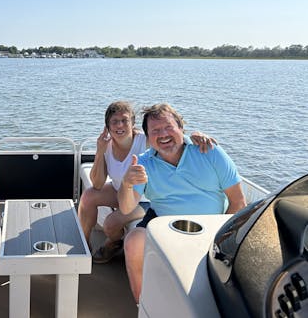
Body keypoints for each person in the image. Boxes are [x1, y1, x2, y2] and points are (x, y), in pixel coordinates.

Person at [119, 103, 247, 304]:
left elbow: (238, 201)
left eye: (169, 127)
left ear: (181, 128)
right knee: (134, 241)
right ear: (148, 138)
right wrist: (127, 184)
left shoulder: (209, 151)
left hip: (211, 226)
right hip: (163, 223)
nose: (163, 134)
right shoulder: (143, 163)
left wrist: (220, 237)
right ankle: (142, 304)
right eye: (155, 131)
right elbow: (126, 208)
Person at [78, 101, 216, 263]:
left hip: (144, 199)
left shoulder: (146, 141)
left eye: (125, 120)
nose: (120, 125)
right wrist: (100, 151)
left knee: (110, 224)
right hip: (120, 190)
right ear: (107, 126)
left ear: (133, 123)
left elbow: (173, 139)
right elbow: (98, 184)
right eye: (114, 122)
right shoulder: (106, 146)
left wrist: (195, 136)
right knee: (88, 197)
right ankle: (84, 245)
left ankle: (113, 243)